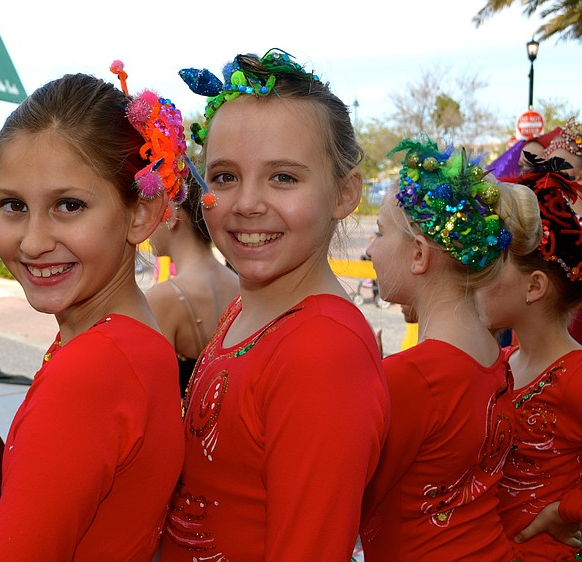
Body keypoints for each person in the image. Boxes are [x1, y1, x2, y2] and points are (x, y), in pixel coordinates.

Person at [161, 49, 389, 561]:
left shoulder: (321, 352)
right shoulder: (244, 311)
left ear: (344, 193)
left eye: (283, 177)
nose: (247, 203)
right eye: (223, 177)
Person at [0, 64, 185, 561]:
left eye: (68, 206)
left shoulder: (92, 371)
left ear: (140, 213)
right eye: (12, 206)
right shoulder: (137, 341)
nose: (32, 241)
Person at [360, 135, 542, 561]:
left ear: (419, 255)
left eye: (379, 232)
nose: (369, 248)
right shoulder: (489, 353)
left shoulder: (412, 376)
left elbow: (352, 496)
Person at [474, 154, 582, 561]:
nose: (475, 279)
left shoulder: (575, 375)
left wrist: (564, 511)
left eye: (490, 266)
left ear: (534, 286)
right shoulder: (499, 359)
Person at [146, 177, 239, 394]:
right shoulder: (243, 288)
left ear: (173, 216)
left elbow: (155, 396)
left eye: (151, 212)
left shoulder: (162, 299)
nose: (145, 224)